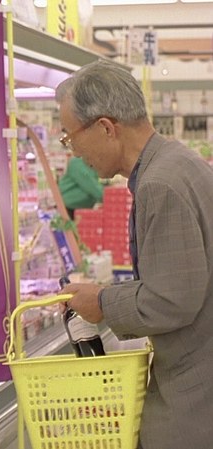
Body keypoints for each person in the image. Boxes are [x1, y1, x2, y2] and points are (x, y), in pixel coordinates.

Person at [57, 59, 213, 448]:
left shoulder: (160, 185)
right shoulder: (179, 163)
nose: (74, 152)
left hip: (193, 394)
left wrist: (102, 303)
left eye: (70, 137)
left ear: (106, 127)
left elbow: (172, 301)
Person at [58, 154, 103, 219]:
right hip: (71, 208)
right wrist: (109, 198)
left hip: (80, 207)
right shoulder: (78, 162)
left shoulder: (90, 162)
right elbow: (90, 185)